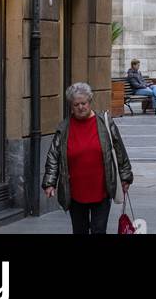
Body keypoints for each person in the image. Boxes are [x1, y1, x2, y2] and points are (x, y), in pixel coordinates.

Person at [43, 81, 133, 235]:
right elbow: (53, 156)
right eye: (76, 104)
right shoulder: (64, 127)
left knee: (99, 230)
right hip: (75, 192)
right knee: (79, 230)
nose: (80, 107)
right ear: (71, 106)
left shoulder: (104, 122)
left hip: (101, 189)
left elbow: (119, 151)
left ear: (90, 102)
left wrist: (125, 177)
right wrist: (49, 182)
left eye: (83, 103)